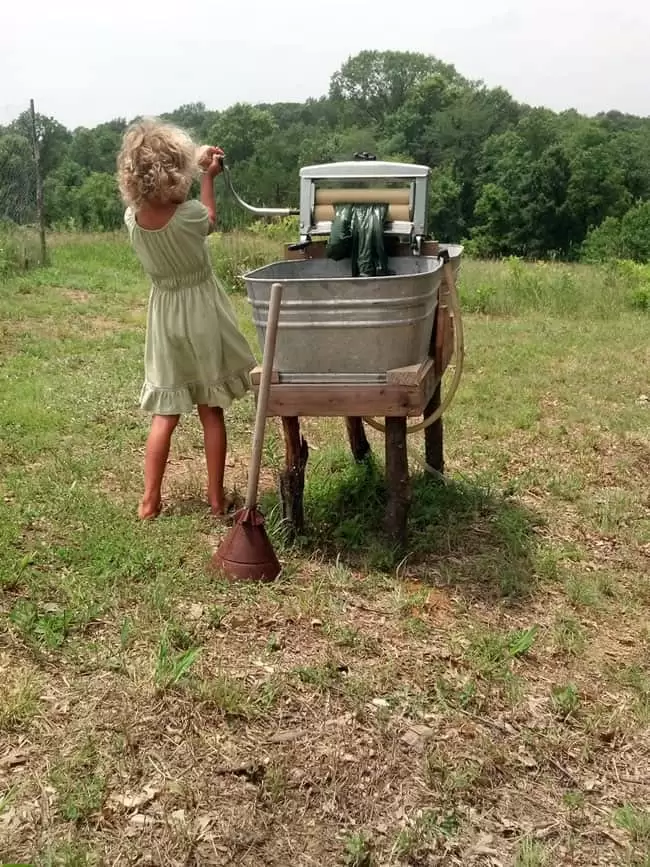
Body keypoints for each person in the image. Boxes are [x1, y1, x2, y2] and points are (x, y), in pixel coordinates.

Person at [116, 119, 256, 520]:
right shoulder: (190, 214)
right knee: (211, 409)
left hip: (165, 317)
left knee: (166, 414)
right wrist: (207, 177)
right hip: (201, 312)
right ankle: (215, 501)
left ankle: (148, 501)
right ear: (176, 174)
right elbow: (208, 218)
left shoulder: (134, 220)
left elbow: (163, 203)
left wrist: (194, 166)